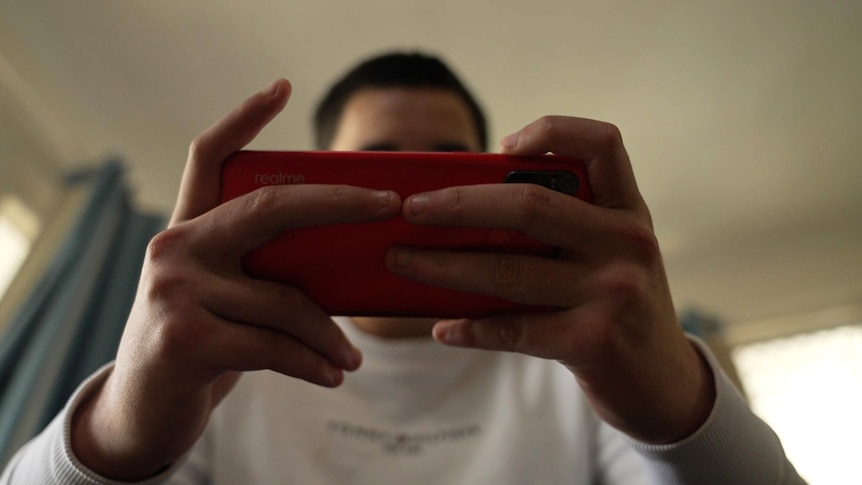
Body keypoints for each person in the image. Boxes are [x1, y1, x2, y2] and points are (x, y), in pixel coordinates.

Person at [1, 52, 804, 484]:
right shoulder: (221, 363)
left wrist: (679, 409)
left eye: (446, 164)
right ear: (309, 182)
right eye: (374, 162)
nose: (401, 191)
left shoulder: (582, 367)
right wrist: (116, 432)